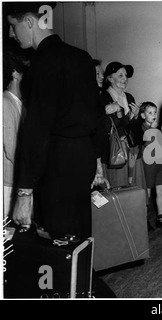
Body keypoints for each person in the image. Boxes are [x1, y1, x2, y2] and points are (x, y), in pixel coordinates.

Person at [6, 2, 103, 238]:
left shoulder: (43, 61)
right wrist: (97, 160)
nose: (11, 34)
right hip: (83, 158)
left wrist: (24, 192)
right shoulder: (82, 57)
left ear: (28, 22)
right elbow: (98, 115)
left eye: (12, 26)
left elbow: (37, 127)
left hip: (57, 161)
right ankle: (83, 275)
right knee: (78, 233)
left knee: (56, 238)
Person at [99, 61, 141, 188]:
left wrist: (134, 116)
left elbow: (129, 125)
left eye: (126, 76)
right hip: (114, 151)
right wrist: (121, 116)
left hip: (130, 149)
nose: (125, 79)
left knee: (132, 189)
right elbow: (106, 126)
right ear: (110, 78)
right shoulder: (103, 97)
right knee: (118, 187)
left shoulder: (129, 97)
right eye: (120, 75)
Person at [3, 48, 29, 219]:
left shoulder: (21, 104)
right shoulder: (5, 103)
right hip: (8, 182)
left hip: (18, 180)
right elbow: (12, 149)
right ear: (15, 74)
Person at [138, 102, 162, 227]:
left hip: (159, 164)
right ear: (143, 115)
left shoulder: (158, 128)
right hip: (148, 165)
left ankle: (160, 217)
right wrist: (152, 129)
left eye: (155, 112)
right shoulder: (142, 128)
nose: (154, 115)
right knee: (148, 193)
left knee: (160, 191)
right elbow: (146, 143)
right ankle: (145, 219)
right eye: (150, 113)